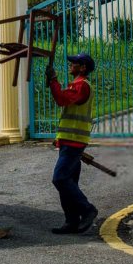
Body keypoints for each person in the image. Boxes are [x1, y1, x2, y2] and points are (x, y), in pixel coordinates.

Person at [45, 53, 98, 234]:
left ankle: (87, 210)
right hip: (70, 140)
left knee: (60, 179)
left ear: (82, 67)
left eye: (73, 63)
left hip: (74, 142)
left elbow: (61, 99)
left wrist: (53, 80)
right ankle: (71, 222)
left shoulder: (81, 85)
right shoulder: (76, 85)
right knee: (70, 181)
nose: (70, 65)